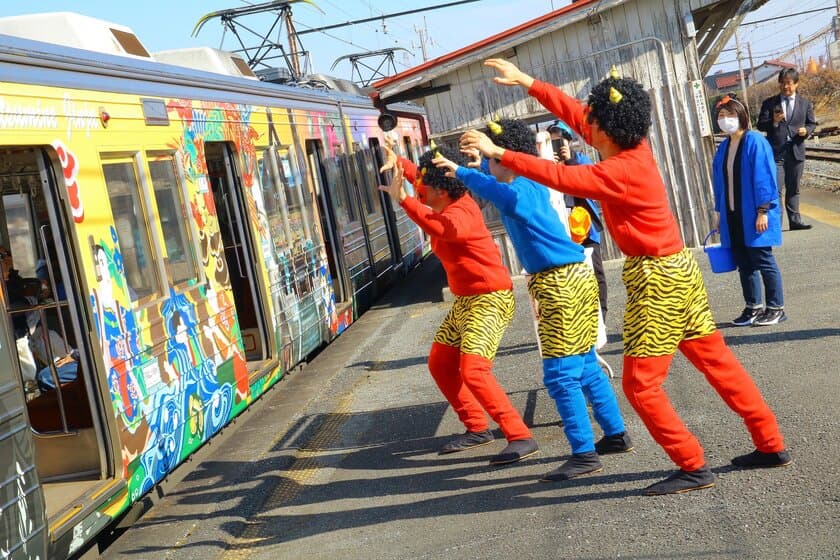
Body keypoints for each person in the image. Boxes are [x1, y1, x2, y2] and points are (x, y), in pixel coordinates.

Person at [461, 59, 791, 495]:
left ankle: (692, 464)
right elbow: (577, 114)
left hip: (657, 281)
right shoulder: (630, 150)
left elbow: (560, 174)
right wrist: (529, 82)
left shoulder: (618, 170)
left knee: (640, 384)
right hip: (680, 272)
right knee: (719, 364)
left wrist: (499, 152)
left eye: (592, 120)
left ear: (606, 130)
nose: (585, 123)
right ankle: (770, 443)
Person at [433, 118, 632, 481]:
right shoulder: (533, 181)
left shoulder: (517, 193)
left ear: (503, 158)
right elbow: (498, 184)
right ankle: (615, 433)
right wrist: (477, 168)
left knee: (560, 375)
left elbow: (497, 192)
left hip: (558, 286)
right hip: (577, 278)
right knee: (585, 363)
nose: (488, 165)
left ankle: (584, 453)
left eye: (491, 158)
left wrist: (462, 171)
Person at [379, 143, 539, 465]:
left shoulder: (461, 212)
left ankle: (519, 435)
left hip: (491, 299)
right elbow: (424, 177)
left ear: (440, 190)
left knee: (475, 370)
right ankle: (477, 427)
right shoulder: (442, 196)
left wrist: (405, 200)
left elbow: (443, 229)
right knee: (440, 363)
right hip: (466, 300)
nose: (417, 188)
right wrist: (403, 163)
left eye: (423, 187)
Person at [713, 95, 787, 327]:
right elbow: (719, 182)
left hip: (755, 213)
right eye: (722, 116)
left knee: (763, 259)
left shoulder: (754, 140)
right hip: (733, 214)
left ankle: (776, 307)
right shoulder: (724, 146)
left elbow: (765, 176)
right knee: (744, 263)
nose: (726, 120)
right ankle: (753, 306)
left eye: (731, 115)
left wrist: (763, 210)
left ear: (742, 116)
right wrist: (719, 212)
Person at [547, 121, 608, 319]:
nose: (557, 145)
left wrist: (570, 161)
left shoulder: (582, 161)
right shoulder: (547, 167)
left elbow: (590, 182)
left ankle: (602, 316)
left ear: (569, 141)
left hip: (586, 228)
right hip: (562, 230)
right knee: (569, 277)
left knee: (596, 273)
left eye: (560, 140)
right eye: (552, 142)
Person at [756, 68, 817, 231]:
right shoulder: (770, 103)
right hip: (776, 153)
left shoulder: (805, 103)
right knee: (776, 189)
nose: (785, 87)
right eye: (782, 83)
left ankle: (795, 221)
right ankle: (776, 223)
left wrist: (807, 131)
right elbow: (760, 124)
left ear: (796, 84)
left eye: (789, 83)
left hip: (796, 151)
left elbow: (812, 123)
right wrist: (774, 122)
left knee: (794, 187)